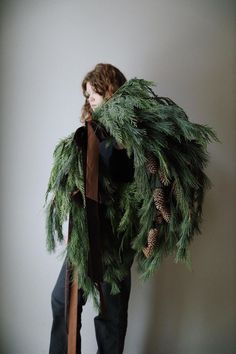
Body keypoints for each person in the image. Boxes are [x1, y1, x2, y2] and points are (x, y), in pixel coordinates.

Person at [48, 63, 135, 354]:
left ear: (108, 87)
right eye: (86, 95)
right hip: (86, 234)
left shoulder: (130, 133)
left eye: (93, 91)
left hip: (117, 237)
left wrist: (109, 136)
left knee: (112, 314)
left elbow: (123, 174)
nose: (89, 98)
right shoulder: (89, 132)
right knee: (63, 301)